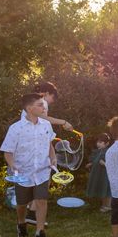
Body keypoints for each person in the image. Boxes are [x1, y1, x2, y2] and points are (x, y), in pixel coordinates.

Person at [0, 93, 57, 237]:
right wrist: (12, 164)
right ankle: (21, 223)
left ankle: (40, 233)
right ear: (30, 108)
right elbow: (8, 152)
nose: (43, 107)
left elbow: (49, 144)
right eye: (40, 105)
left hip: (43, 171)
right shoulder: (16, 129)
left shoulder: (46, 125)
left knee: (41, 200)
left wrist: (53, 157)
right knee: (22, 203)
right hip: (23, 173)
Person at [19, 82, 73, 225]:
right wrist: (64, 122)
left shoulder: (30, 105)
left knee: (35, 181)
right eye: (52, 98)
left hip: (28, 147)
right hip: (36, 148)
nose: (48, 103)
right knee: (43, 181)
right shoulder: (41, 104)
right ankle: (31, 214)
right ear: (48, 93)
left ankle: (31, 213)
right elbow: (45, 119)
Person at [86, 133, 112, 212]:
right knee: (101, 189)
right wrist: (90, 164)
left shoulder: (108, 152)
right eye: (98, 142)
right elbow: (95, 160)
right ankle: (103, 205)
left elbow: (112, 165)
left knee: (106, 189)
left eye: (101, 142)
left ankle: (108, 206)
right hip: (98, 174)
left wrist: (104, 163)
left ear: (107, 143)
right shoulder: (97, 152)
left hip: (105, 175)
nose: (99, 144)